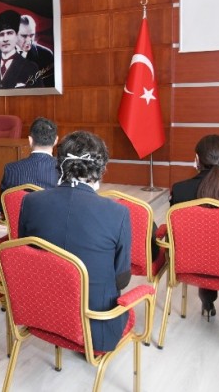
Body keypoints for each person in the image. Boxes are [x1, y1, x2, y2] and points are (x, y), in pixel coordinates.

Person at [18, 131, 131, 352]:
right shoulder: (117, 213)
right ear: (101, 168)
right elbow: (122, 279)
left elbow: (25, 257)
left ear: (59, 164)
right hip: (94, 328)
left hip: (41, 315)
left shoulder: (30, 201)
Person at [169, 134, 219, 321]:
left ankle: (207, 302)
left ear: (197, 159)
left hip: (193, 261)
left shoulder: (179, 190)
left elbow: (175, 231)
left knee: (205, 244)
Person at [0, 10, 42, 90]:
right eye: (1, 34)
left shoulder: (31, 67)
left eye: (9, 33)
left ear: (16, 36)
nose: (5, 39)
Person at [0, 117, 58, 196]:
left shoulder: (11, 169)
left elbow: (3, 202)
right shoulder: (64, 168)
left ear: (30, 140)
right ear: (56, 140)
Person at [16, 15, 55, 88]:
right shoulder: (0, 54)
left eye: (32, 35)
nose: (29, 41)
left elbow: (50, 86)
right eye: (24, 36)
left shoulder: (46, 55)